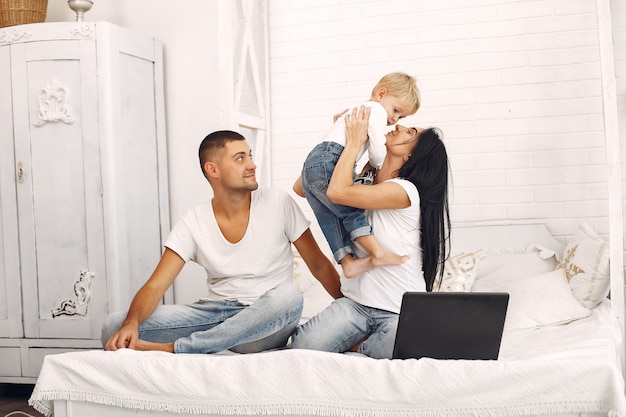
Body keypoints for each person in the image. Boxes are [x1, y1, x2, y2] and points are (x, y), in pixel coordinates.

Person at [102, 130, 341, 354]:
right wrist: (132, 323)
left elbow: (319, 265)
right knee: (114, 326)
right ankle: (215, 339)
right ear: (213, 170)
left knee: (289, 296)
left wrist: (351, 310)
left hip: (266, 320)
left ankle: (177, 348)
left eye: (250, 156)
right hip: (215, 313)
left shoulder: (278, 203)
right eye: (240, 158)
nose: (251, 165)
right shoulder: (194, 221)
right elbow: (155, 286)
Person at [291, 106, 451, 359]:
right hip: (356, 305)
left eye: (410, 131)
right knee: (303, 347)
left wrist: (354, 143)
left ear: (413, 155)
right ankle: (365, 345)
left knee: (405, 346)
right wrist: (337, 139)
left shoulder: (404, 191)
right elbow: (303, 187)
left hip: (398, 309)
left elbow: (337, 193)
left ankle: (361, 348)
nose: (398, 126)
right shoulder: (366, 178)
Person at [295, 72, 421, 278]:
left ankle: (347, 262)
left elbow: (301, 186)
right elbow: (378, 148)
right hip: (329, 158)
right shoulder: (376, 111)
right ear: (381, 94)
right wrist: (376, 163)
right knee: (350, 212)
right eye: (396, 111)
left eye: (401, 117)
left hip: (315, 159)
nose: (395, 120)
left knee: (328, 218)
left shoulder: (359, 111)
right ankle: (377, 252)